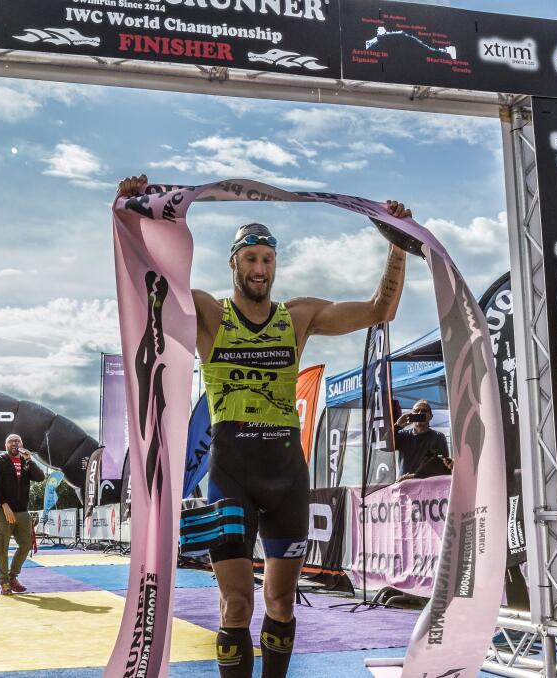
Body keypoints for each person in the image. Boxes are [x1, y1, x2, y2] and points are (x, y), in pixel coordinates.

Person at [118, 175, 410, 678]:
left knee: (280, 603)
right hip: (230, 471)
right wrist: (140, 217)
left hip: (285, 475)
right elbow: (152, 287)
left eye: (267, 259)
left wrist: (398, 246)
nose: (260, 268)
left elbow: (380, 310)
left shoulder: (298, 317)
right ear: (235, 262)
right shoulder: (210, 313)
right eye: (250, 259)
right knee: (235, 606)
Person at [0, 433, 45, 595]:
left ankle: (13, 577)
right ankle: (4, 582)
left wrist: (29, 460)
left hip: (22, 511)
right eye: (10, 441)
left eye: (17, 440)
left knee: (26, 544)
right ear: (5, 445)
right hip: (3, 510)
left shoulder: (25, 463)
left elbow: (40, 477)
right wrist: (4, 506)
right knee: (3, 547)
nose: (14, 443)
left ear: (21, 444)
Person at [394, 399, 451, 480]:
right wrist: (397, 426)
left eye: (424, 411)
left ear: (431, 416)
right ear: (411, 414)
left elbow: (443, 466)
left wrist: (415, 476)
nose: (420, 413)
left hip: (427, 487)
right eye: (416, 411)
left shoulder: (438, 437)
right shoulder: (404, 435)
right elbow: (384, 446)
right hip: (405, 486)